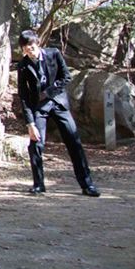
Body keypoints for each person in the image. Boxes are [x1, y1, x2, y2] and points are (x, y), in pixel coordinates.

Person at [17, 29, 101, 197]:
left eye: (31, 47)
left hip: (58, 103)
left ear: (38, 43)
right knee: (36, 144)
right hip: (39, 107)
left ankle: (87, 185)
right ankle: (39, 184)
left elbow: (66, 77)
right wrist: (30, 123)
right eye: (25, 49)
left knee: (74, 141)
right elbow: (23, 95)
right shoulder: (23, 66)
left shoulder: (53, 54)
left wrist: (48, 92)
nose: (29, 51)